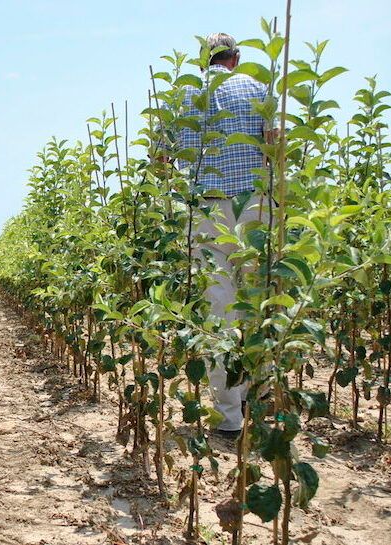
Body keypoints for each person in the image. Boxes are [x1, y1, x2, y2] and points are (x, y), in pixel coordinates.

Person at [175, 33, 269, 435]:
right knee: (260, 304)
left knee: (219, 310)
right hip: (253, 206)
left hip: (208, 208)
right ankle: (259, 401)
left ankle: (228, 417)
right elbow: (278, 142)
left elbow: (161, 158)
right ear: (236, 57)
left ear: (202, 62)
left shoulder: (184, 97)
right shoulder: (257, 86)